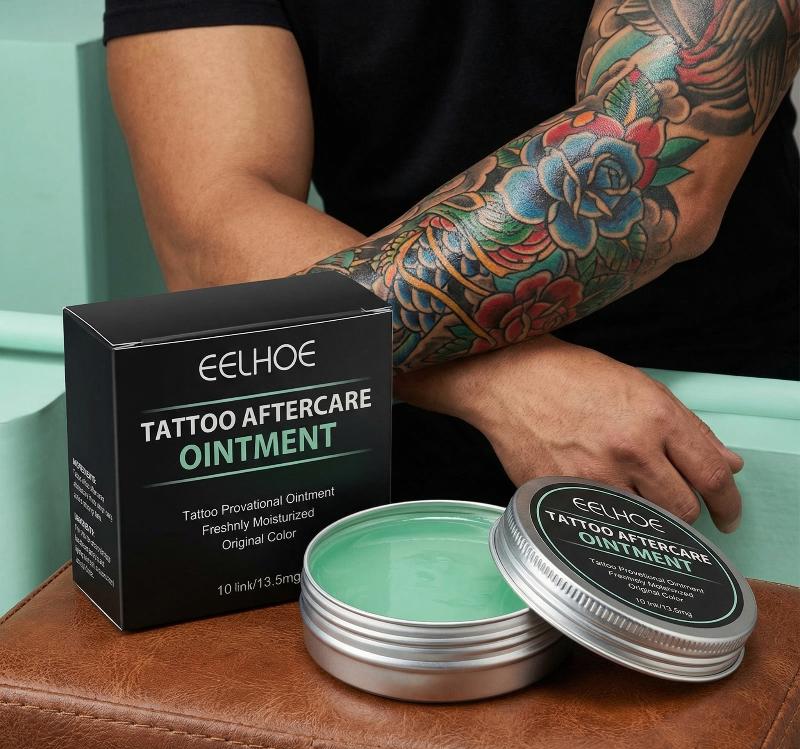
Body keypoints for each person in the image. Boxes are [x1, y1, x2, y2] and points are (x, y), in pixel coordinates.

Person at [104, 0, 800, 532]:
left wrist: (239, 357)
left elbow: (645, 173)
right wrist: (504, 379)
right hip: (387, 427)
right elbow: (210, 225)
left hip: (710, 427)